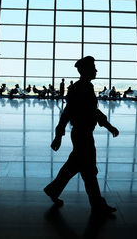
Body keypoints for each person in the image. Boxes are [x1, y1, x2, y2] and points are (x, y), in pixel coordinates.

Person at [44, 56, 119, 215]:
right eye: (93, 68)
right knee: (88, 171)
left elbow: (91, 111)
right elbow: (68, 112)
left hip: (82, 133)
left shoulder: (86, 87)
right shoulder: (78, 88)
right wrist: (58, 135)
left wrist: (108, 125)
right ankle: (98, 204)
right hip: (82, 134)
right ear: (85, 70)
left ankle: (53, 190)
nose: (96, 70)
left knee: (77, 167)